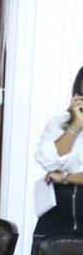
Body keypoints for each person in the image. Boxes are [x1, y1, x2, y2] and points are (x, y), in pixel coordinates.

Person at [34, 65, 83, 237]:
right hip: (55, 214)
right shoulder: (59, 123)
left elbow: (57, 173)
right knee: (46, 254)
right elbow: (50, 161)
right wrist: (75, 125)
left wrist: (64, 177)